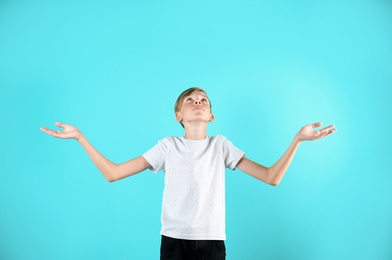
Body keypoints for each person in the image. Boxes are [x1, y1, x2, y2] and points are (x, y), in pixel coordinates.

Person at [40, 87, 336, 260]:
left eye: (203, 101)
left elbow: (272, 177)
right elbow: (113, 173)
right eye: (190, 100)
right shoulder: (167, 146)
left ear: (211, 116)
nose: (198, 103)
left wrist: (297, 140)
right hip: (174, 242)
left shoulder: (221, 146)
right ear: (178, 116)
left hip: (212, 243)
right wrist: (80, 138)